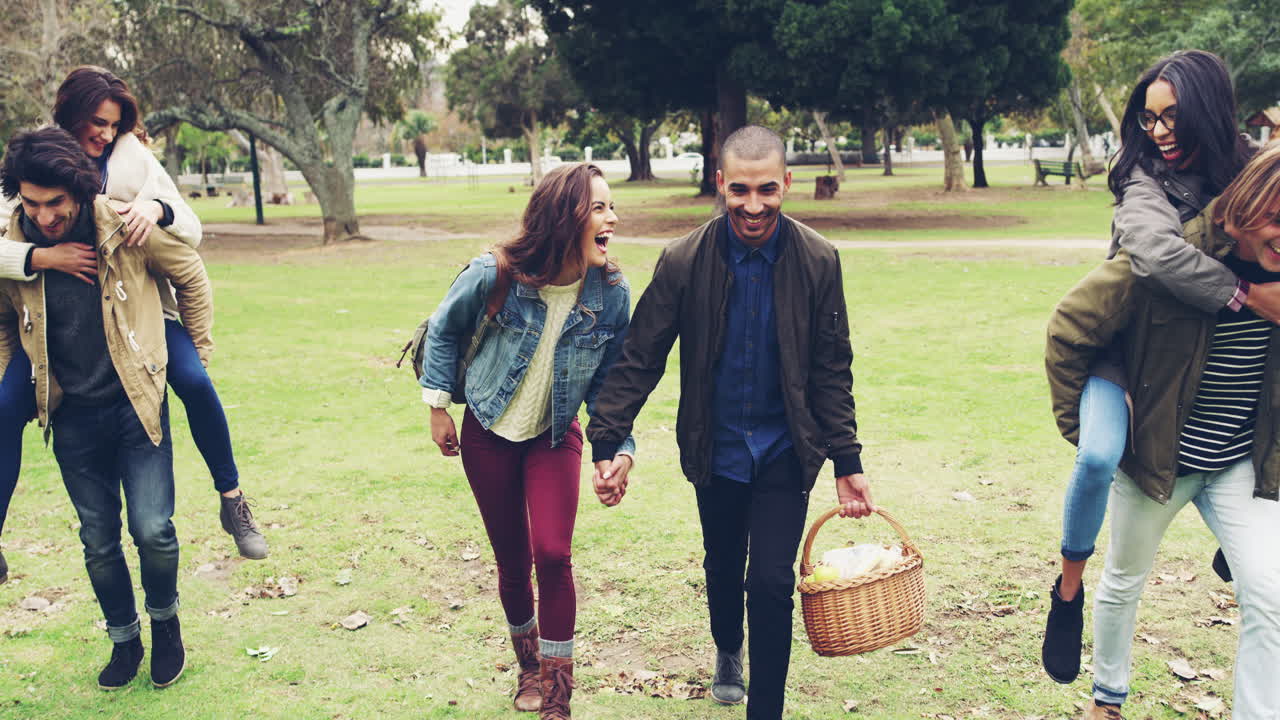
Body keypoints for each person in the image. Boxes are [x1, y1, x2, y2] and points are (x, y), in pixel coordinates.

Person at [586, 125, 874, 720]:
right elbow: (641, 355)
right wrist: (608, 439)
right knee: (723, 565)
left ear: (786, 182)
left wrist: (847, 460)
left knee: (770, 582)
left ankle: (764, 710)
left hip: (785, 450)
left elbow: (831, 368)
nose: (753, 205)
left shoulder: (819, 260)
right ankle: (727, 647)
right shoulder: (684, 261)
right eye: (740, 190)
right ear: (721, 183)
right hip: (714, 447)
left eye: (767, 189)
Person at [1040, 49, 1275, 684]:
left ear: (1208, 109)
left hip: (1200, 378)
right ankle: (1068, 589)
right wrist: (1245, 293)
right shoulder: (1145, 177)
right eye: (1149, 119)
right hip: (1125, 353)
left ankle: (1237, 543)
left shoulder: (1253, 172)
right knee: (1098, 457)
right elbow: (1153, 252)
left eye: (1171, 116)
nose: (1159, 131)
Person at [0, 67, 265, 587]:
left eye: (113, 124)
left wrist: (154, 207)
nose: (105, 133)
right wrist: (41, 256)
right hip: (59, 332)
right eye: (97, 122)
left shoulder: (130, 158)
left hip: (144, 316)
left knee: (194, 380)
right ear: (71, 114)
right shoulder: (34, 164)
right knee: (5, 407)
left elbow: (189, 235)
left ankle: (232, 499)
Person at [0, 126, 213, 689]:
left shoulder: (119, 224)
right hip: (71, 414)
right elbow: (3, 316)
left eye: (55, 202)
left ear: (77, 189)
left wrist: (198, 352)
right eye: (32, 203)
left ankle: (165, 625)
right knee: (98, 539)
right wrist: (15, 370)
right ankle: (124, 639)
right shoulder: (13, 241)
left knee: (153, 529)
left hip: (136, 403)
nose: (44, 215)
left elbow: (190, 272)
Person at [419, 163, 633, 719]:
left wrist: (617, 450)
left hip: (554, 434)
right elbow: (443, 328)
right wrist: (438, 407)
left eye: (612, 206)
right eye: (599, 208)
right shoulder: (496, 272)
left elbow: (611, 387)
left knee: (554, 555)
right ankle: (529, 668)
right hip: (487, 430)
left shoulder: (612, 293)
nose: (612, 219)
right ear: (565, 217)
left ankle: (557, 697)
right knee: (513, 560)